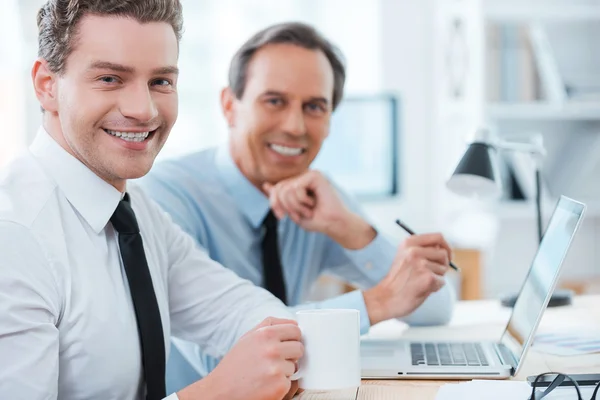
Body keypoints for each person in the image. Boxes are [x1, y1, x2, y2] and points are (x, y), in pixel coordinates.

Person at [0, 2, 305, 400]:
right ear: (46, 84)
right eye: (110, 78)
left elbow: (239, 311)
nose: (142, 110)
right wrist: (214, 394)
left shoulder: (134, 213)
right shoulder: (15, 237)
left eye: (161, 81)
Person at [138, 22, 457, 391]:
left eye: (314, 107)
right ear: (229, 106)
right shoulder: (166, 195)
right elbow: (226, 360)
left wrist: (351, 230)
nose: (294, 126)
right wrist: (380, 302)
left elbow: (436, 308)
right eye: (274, 101)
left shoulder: (318, 196)